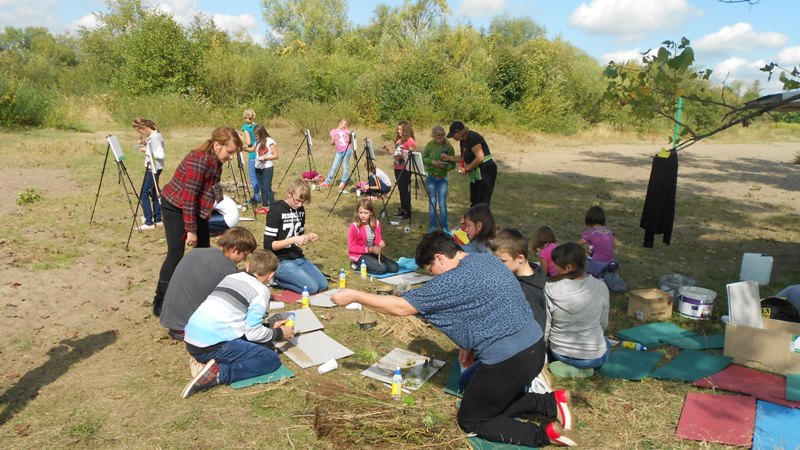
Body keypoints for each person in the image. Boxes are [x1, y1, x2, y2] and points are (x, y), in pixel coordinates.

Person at [331, 231, 577, 447]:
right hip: (534, 348)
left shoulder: (452, 280)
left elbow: (401, 307)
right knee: (479, 394)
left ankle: (544, 434)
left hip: (510, 360)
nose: (433, 276)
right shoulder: (486, 260)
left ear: (439, 258)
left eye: (431, 270)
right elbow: (488, 306)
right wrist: (470, 345)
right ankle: (552, 403)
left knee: (472, 419)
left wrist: (355, 295)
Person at [152, 126, 242, 317]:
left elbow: (214, 185)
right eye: (230, 152)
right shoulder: (198, 160)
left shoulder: (216, 161)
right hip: (175, 206)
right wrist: (191, 230)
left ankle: (201, 293)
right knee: (176, 253)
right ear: (217, 145)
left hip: (196, 207)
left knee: (203, 251)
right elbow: (189, 197)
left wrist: (220, 207)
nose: (231, 157)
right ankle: (160, 301)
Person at [181, 249, 295, 398]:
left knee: (256, 344)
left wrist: (269, 328)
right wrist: (279, 333)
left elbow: (236, 320)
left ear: (248, 266)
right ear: (271, 275)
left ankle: (204, 363)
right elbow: (252, 333)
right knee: (270, 359)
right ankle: (218, 374)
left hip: (192, 339)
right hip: (211, 345)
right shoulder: (261, 291)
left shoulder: (232, 277)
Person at [159, 227, 257, 340]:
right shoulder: (228, 268)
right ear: (235, 249)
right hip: (191, 330)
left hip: (171, 322)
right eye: (245, 254)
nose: (244, 259)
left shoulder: (196, 252)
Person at [544, 242, 610, 377]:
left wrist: (545, 348)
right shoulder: (601, 286)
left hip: (560, 352)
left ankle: (569, 366)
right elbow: (603, 323)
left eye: (556, 265)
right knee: (606, 342)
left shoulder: (549, 288)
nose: (554, 268)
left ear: (568, 267)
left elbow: (546, 325)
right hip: (594, 356)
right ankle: (583, 368)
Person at [264, 179, 328, 294]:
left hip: (296, 256)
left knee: (323, 285)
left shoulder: (300, 210)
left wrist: (308, 237)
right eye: (297, 201)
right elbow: (268, 246)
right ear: (290, 193)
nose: (300, 205)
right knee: (311, 288)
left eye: (303, 202)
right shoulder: (276, 211)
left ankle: (291, 277)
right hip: (279, 260)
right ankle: (274, 279)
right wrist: (293, 240)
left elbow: (298, 235)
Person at [491, 228, 548, 333]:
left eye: (502, 261)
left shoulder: (532, 292)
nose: (496, 266)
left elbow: (537, 330)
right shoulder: (512, 278)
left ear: (520, 258)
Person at [444, 121, 498, 207]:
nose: (452, 137)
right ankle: (474, 215)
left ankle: (482, 215)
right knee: (474, 200)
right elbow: (463, 157)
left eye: (453, 135)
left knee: (482, 201)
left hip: (485, 170)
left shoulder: (473, 137)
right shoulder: (463, 141)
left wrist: (466, 169)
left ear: (459, 132)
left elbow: (480, 157)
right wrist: (449, 158)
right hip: (476, 171)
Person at [347, 199, 399, 275]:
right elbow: (351, 248)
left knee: (395, 267)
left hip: (373, 253)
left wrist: (381, 242)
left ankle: (371, 264)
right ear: (357, 212)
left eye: (366, 213)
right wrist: (369, 249)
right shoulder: (354, 227)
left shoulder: (376, 223)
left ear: (371, 213)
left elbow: (378, 238)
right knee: (382, 269)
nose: (363, 216)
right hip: (360, 255)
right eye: (360, 212)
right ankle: (355, 265)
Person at [422, 125, 456, 232]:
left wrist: (444, 167)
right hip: (431, 177)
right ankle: (432, 226)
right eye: (437, 138)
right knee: (432, 201)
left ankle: (444, 227)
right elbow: (423, 158)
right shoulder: (430, 144)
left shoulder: (449, 147)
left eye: (441, 137)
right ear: (434, 137)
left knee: (442, 203)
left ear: (444, 135)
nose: (439, 140)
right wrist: (431, 162)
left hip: (442, 179)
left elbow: (453, 165)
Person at [133, 118, 165, 230]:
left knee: (144, 194)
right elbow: (154, 149)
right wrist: (146, 145)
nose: (140, 134)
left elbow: (160, 154)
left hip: (153, 169)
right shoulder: (154, 136)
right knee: (154, 193)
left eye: (140, 131)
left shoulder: (155, 137)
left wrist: (145, 150)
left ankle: (148, 222)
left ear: (144, 128)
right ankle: (158, 219)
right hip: (155, 167)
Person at [382, 120, 416, 220]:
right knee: (401, 189)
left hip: (405, 168)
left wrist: (401, 156)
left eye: (401, 129)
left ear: (406, 130)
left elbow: (412, 154)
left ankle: (407, 212)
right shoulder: (399, 141)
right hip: (397, 167)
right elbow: (395, 153)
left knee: (404, 190)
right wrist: (388, 150)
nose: (399, 131)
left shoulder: (410, 140)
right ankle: (403, 210)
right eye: (398, 129)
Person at [577, 205, 615, 278]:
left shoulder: (590, 233)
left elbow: (577, 245)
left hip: (597, 262)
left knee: (580, 264)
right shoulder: (609, 232)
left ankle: (598, 276)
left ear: (589, 218)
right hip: (610, 261)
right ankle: (607, 271)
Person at [322, 118, 353, 192]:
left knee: (345, 166)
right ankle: (327, 182)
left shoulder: (347, 131)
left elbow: (350, 141)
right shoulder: (333, 131)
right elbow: (333, 142)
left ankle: (343, 182)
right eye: (344, 124)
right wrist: (332, 142)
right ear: (340, 123)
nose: (345, 126)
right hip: (339, 151)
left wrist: (350, 136)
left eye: (346, 124)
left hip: (347, 150)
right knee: (334, 166)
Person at [253, 124, 279, 214]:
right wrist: (244, 149)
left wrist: (265, 158)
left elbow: (276, 155)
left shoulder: (270, 141)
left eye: (256, 135)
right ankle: (264, 206)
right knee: (262, 188)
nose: (255, 137)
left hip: (267, 168)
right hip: (258, 167)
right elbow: (253, 149)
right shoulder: (257, 141)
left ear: (261, 133)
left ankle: (273, 207)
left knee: (267, 187)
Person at [241, 109, 260, 206]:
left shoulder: (245, 127)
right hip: (259, 153)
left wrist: (240, 137)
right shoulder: (257, 126)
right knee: (259, 175)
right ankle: (259, 195)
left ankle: (256, 197)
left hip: (252, 154)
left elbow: (248, 143)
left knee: (253, 176)